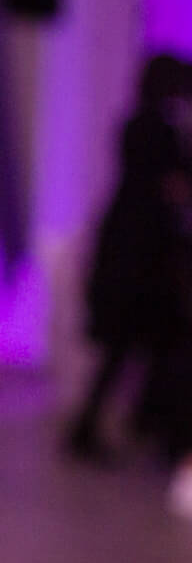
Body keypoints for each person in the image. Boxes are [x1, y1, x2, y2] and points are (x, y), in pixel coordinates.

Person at [69, 51, 192, 514]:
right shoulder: (159, 130)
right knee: (143, 345)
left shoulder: (135, 124)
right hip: (143, 259)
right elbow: (173, 186)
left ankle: (137, 424)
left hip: (128, 250)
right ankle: (143, 429)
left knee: (134, 347)